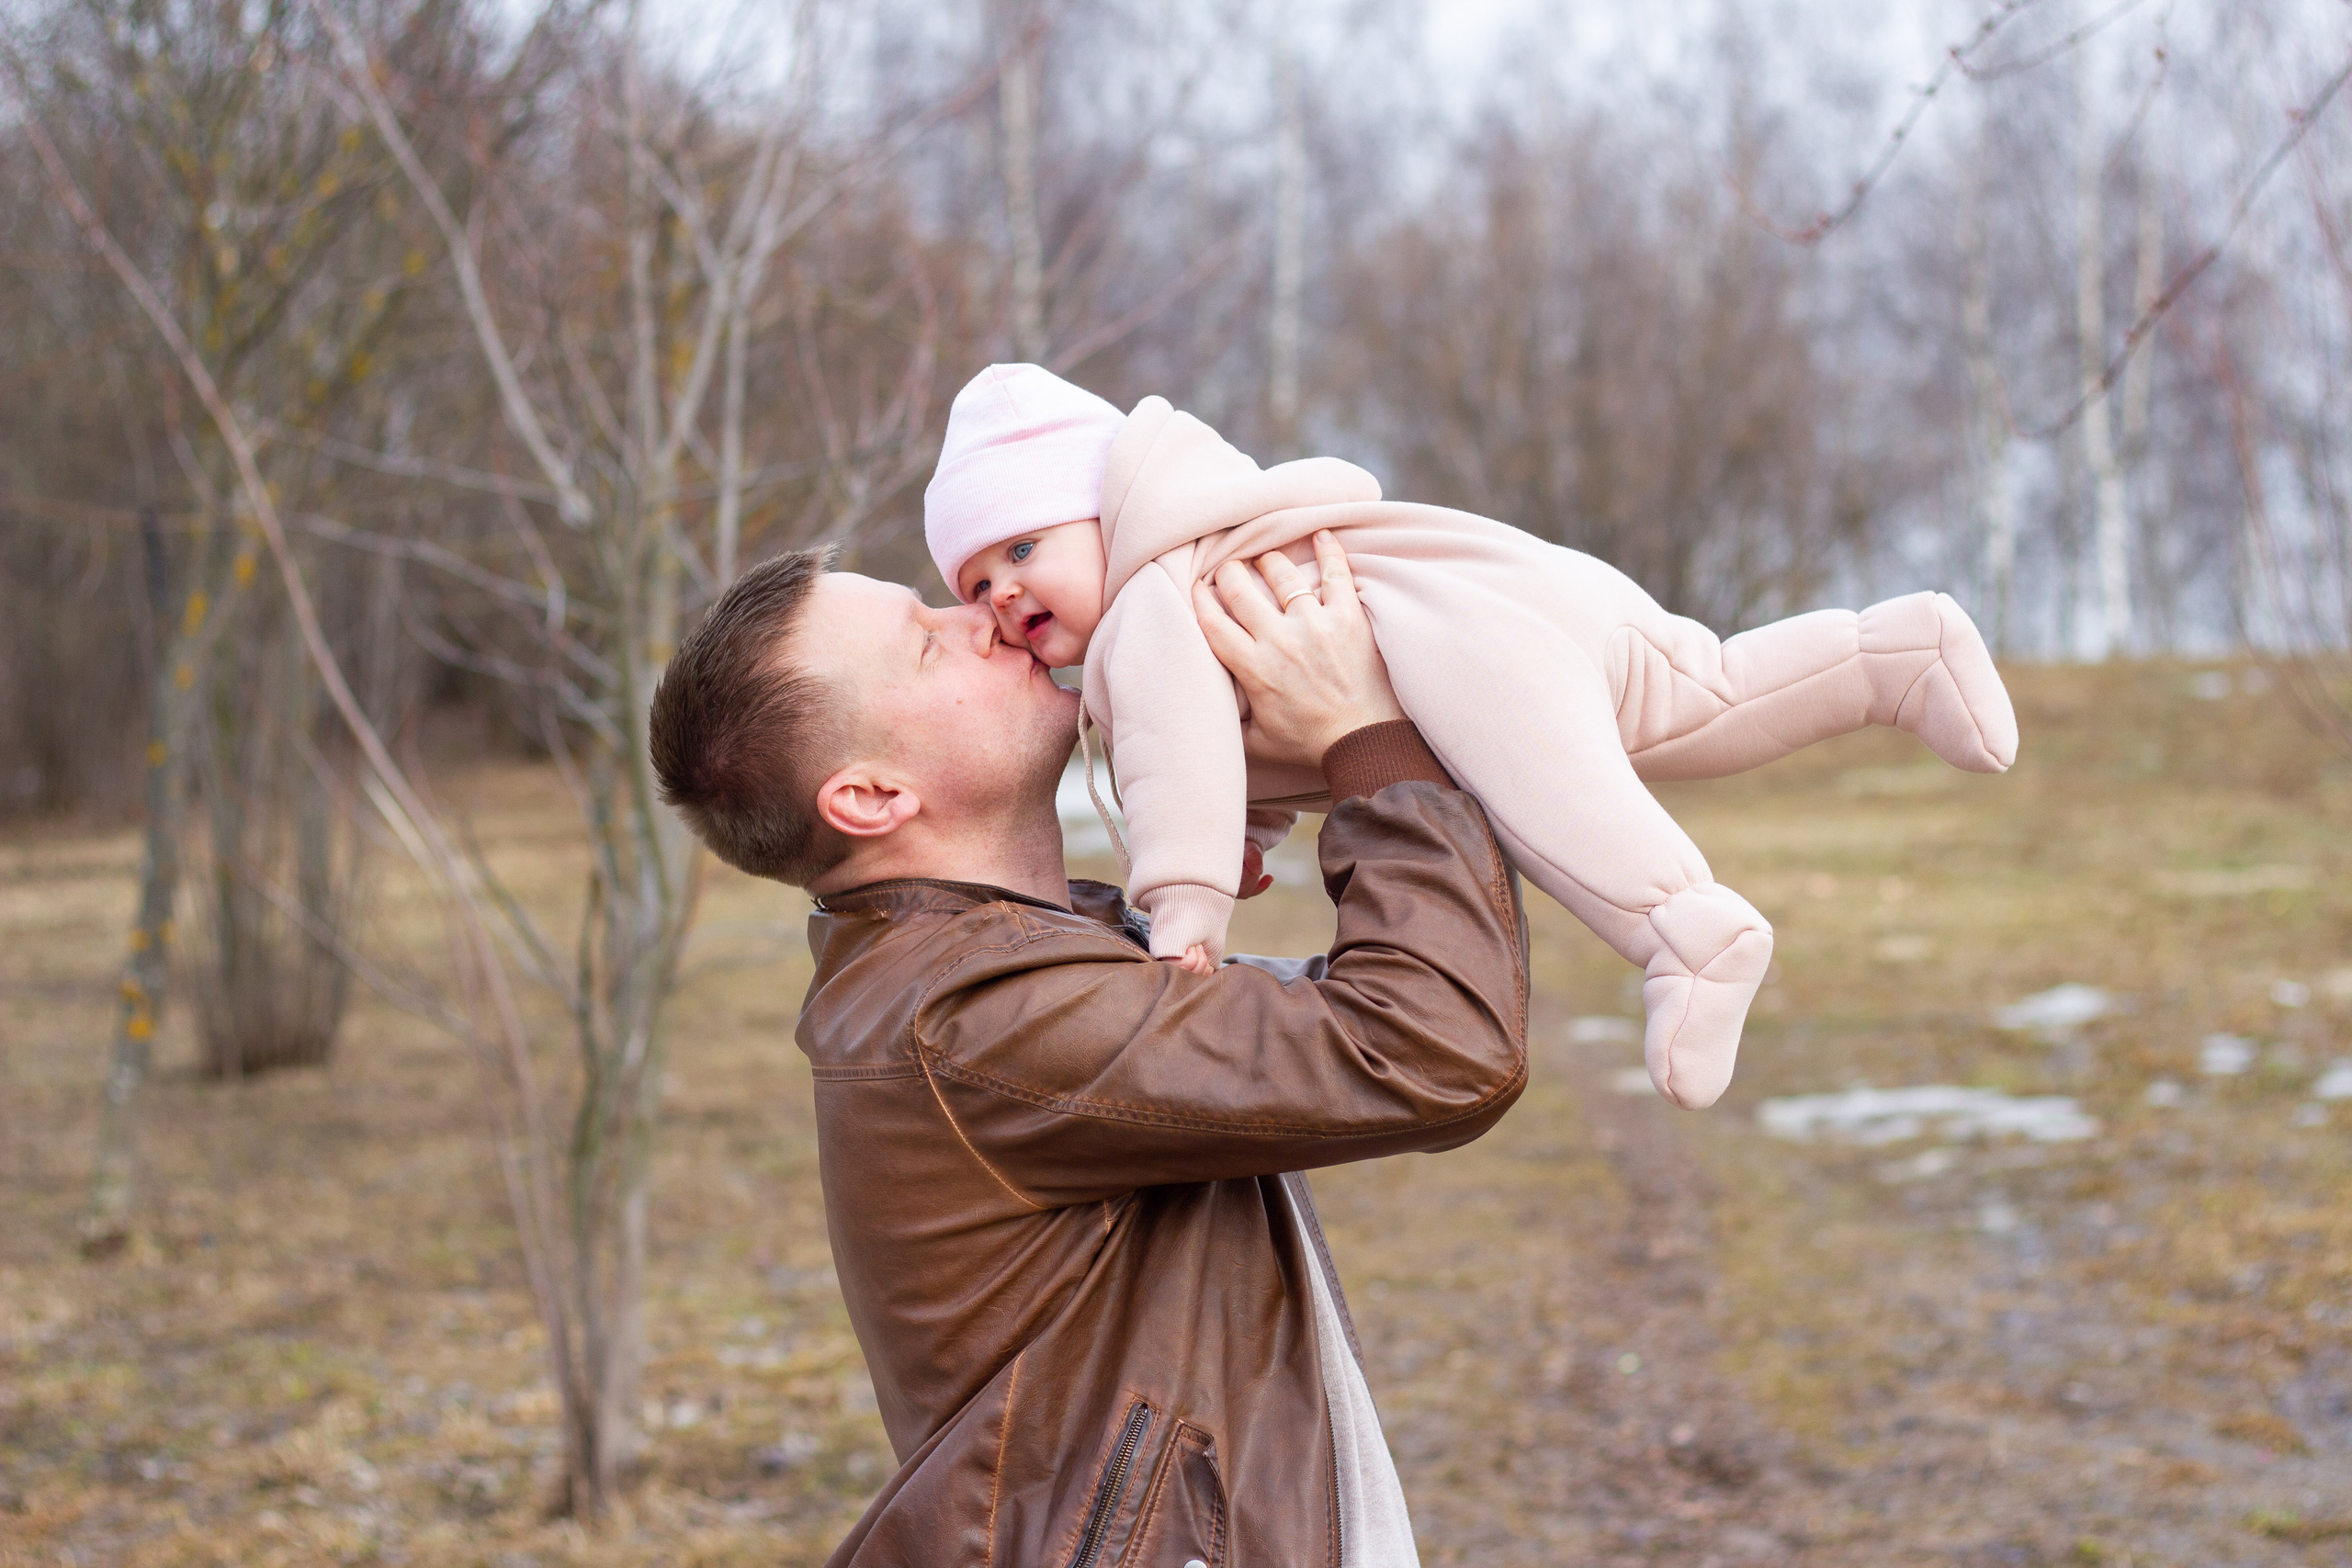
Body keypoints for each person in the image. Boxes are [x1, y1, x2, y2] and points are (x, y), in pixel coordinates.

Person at [649, 534, 1528, 1567]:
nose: (975, 613)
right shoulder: (974, 1015)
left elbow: (1356, 1019)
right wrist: (1363, 734)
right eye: (929, 645)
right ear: (872, 797)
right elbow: (1430, 1045)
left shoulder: (989, 977)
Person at [924, 362, 2021, 1110]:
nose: (1004, 593)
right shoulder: (1217, 555)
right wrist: (1251, 833)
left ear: (1105, 509)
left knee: (1554, 802)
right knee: (1711, 694)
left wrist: (1188, 901)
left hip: (1461, 657)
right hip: (1519, 591)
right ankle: (1892, 655)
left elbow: (1176, 754)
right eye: (976, 583)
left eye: (1021, 548)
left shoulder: (1148, 605)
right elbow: (1227, 738)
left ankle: (1687, 931)